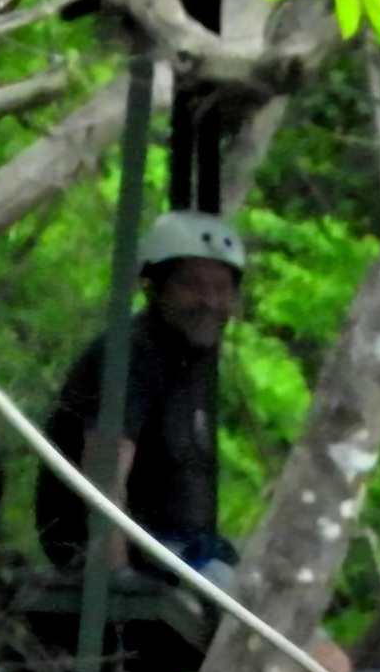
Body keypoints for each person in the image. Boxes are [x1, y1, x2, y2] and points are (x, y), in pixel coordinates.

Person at [36, 210, 247, 589]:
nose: (209, 301)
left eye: (221, 288)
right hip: (143, 560)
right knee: (293, 630)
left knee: (285, 574)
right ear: (155, 286)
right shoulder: (131, 355)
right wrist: (118, 579)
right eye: (192, 285)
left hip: (183, 552)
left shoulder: (190, 363)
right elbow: (104, 471)